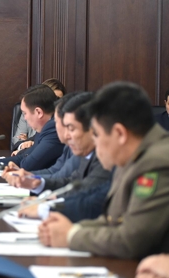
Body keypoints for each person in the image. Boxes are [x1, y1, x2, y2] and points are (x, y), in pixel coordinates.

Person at [38, 82, 169, 259]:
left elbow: (132, 241)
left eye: (97, 135)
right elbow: (112, 220)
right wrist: (71, 229)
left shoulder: (156, 162)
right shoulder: (134, 156)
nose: (95, 144)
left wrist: (71, 236)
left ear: (120, 134)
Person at [14, 92, 111, 221]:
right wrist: (39, 185)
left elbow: (91, 202)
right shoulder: (88, 154)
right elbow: (72, 183)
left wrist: (46, 207)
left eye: (71, 128)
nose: (66, 135)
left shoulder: (104, 158)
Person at [0, 84, 63, 171]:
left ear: (38, 112)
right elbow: (24, 156)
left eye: (25, 113)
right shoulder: (45, 127)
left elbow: (28, 165)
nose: (24, 118)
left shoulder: (54, 130)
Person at [12, 78, 66, 151]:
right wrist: (23, 144)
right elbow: (17, 138)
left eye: (58, 99)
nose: (54, 102)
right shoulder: (28, 114)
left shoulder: (62, 120)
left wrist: (30, 142)